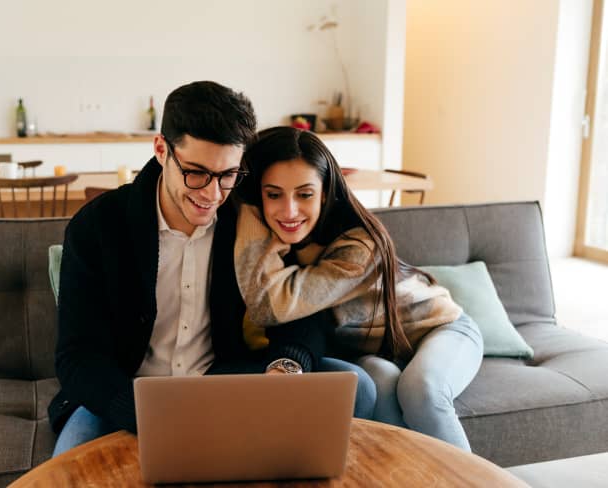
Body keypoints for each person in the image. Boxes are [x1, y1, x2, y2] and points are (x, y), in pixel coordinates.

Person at [48, 82, 345, 457]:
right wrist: (149, 415)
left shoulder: (246, 219)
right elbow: (77, 357)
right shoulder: (98, 226)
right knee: (68, 473)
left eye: (227, 175)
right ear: (161, 150)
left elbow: (300, 310)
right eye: (196, 172)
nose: (212, 194)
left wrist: (286, 368)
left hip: (220, 382)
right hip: (122, 395)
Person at [234, 126, 484, 451]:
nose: (290, 210)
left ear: (325, 192)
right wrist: (252, 203)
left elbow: (268, 303)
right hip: (380, 351)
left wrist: (250, 208)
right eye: (273, 194)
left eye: (305, 194)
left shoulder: (358, 248)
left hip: (443, 330)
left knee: (421, 389)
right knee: (375, 381)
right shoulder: (288, 241)